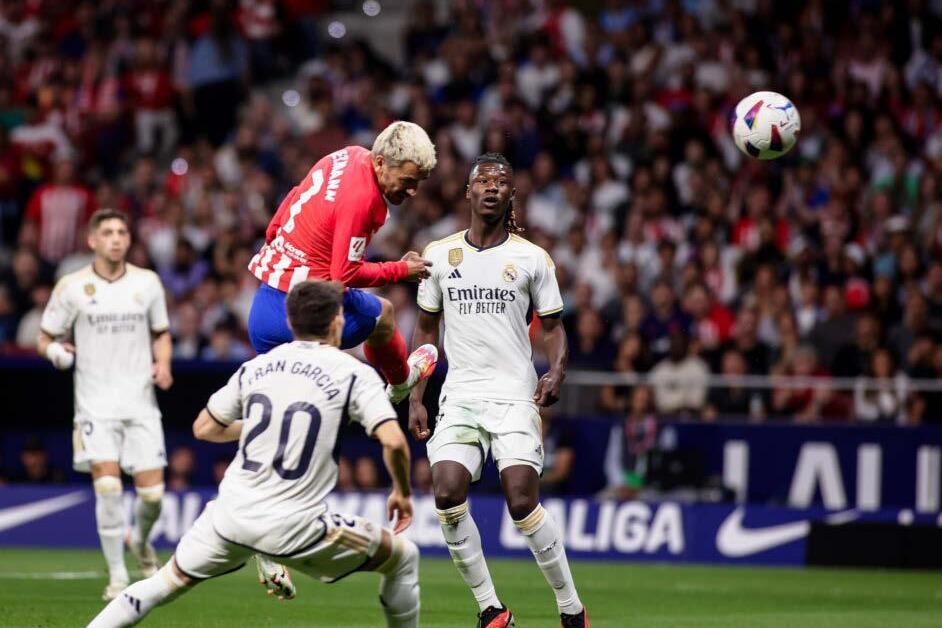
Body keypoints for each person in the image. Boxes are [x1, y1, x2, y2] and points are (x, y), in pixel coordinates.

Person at [87, 280, 420, 628]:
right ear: (338, 321)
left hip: (228, 516)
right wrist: (401, 491)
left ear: (289, 322)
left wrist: (265, 424)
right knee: (404, 557)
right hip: (295, 524)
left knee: (159, 586)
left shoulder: (257, 367)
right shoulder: (353, 374)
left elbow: (205, 428)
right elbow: (394, 442)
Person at [409, 153, 588, 628]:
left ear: (511, 195)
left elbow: (554, 327)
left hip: (513, 395)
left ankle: (571, 609)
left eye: (501, 181)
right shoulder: (438, 254)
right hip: (460, 396)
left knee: (522, 501)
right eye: (483, 180)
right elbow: (425, 329)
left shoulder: (531, 258)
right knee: (446, 493)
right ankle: (491, 608)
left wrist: (557, 371)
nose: (492, 186)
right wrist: (416, 394)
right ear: (468, 191)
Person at [247, 120, 439, 403]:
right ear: (381, 163)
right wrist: (400, 270)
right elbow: (344, 274)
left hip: (263, 313)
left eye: (418, 182)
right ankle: (401, 382)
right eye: (408, 181)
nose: (413, 191)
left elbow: (293, 196)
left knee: (282, 410)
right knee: (383, 315)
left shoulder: (346, 155)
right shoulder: (362, 199)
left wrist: (279, 244)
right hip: (307, 319)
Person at [37, 209, 172, 601]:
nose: (116, 238)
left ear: (128, 240)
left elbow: (161, 333)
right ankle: (117, 576)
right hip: (94, 403)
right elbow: (44, 338)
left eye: (122, 232)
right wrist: (56, 354)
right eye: (108, 232)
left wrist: (163, 363)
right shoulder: (71, 287)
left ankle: (140, 541)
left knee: (152, 497)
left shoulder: (147, 283)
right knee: (109, 487)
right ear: (92, 240)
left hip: (140, 401)